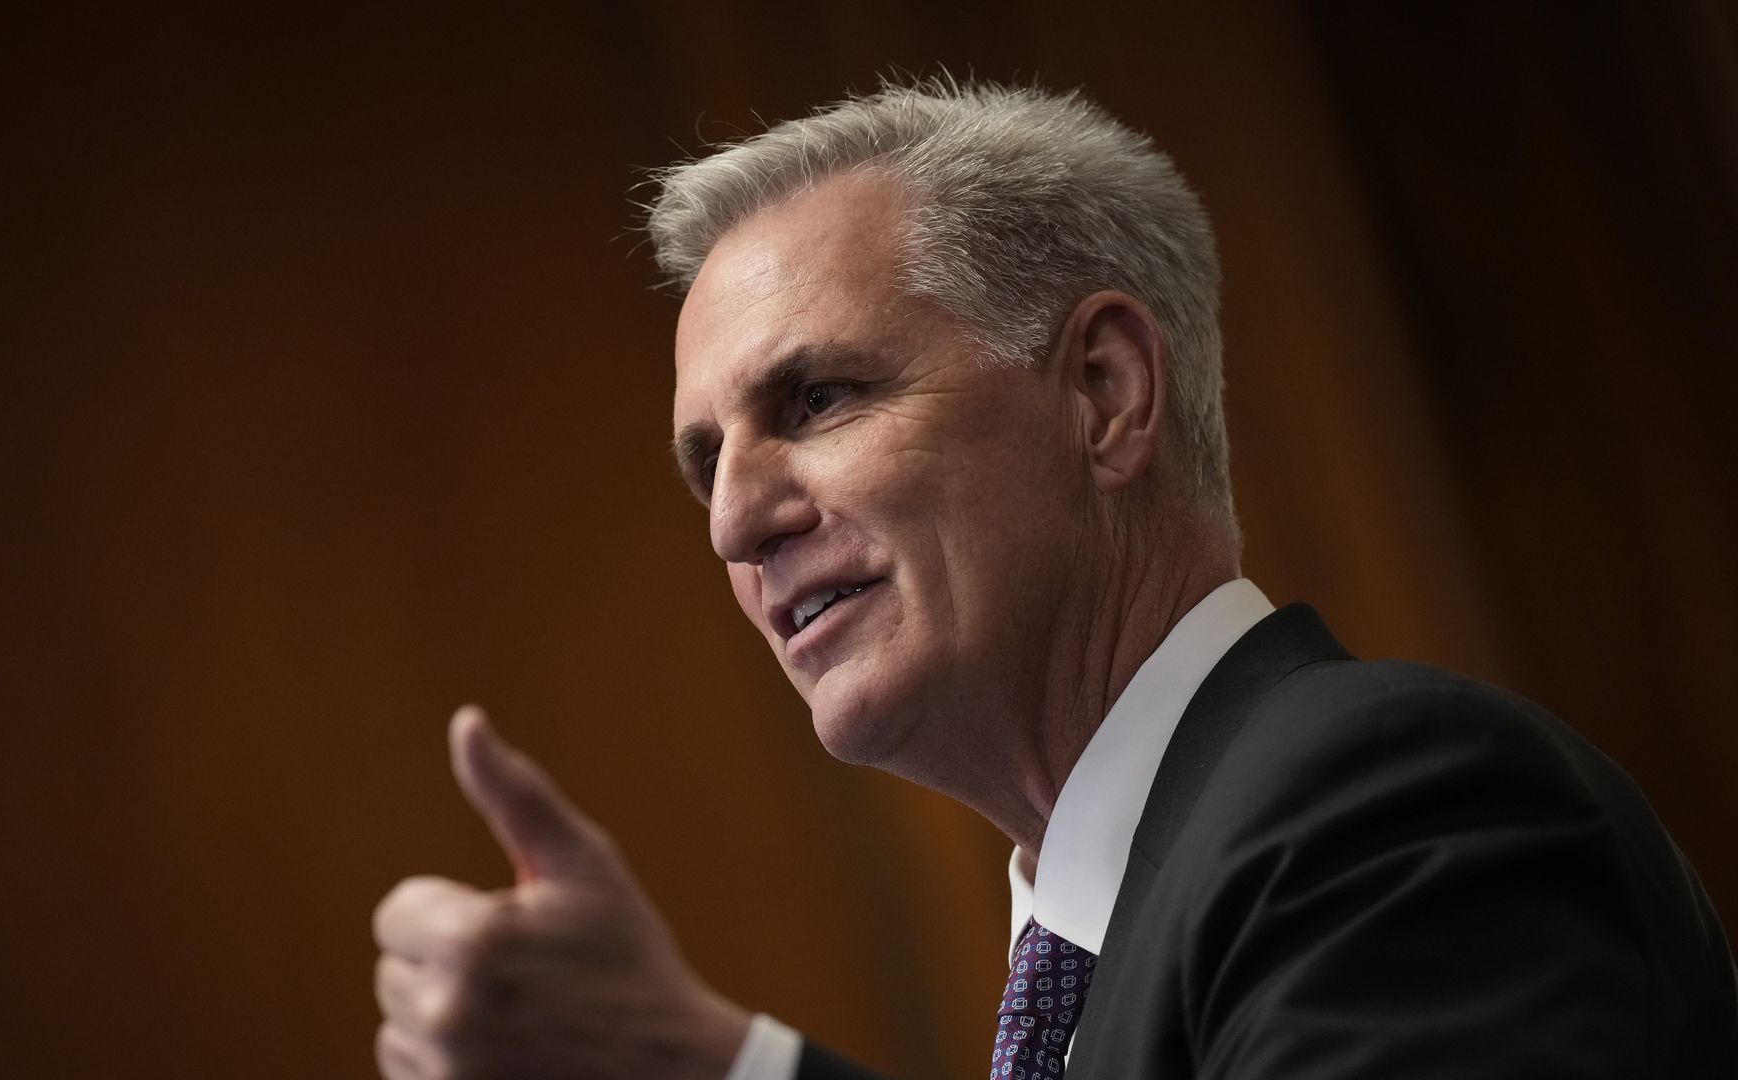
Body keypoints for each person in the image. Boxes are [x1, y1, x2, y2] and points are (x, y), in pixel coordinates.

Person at [371, 80, 1738, 1079]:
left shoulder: (1378, 811)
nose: (735, 523)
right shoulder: (1113, 936)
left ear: (1103, 393)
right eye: (704, 461)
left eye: (818, 399)